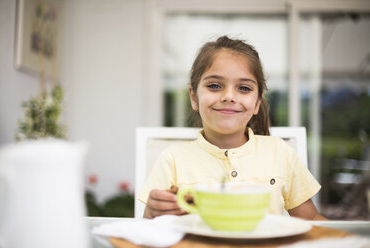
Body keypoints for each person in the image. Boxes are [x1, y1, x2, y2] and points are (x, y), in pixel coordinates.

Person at [138, 36, 326, 220]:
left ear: (258, 102)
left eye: (244, 88)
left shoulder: (281, 153)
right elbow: (149, 227)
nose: (229, 96)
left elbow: (313, 222)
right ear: (193, 97)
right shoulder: (173, 159)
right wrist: (152, 214)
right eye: (214, 86)